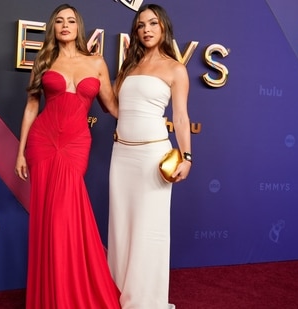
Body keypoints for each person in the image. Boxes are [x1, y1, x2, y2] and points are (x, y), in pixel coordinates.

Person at [14, 3, 120, 308]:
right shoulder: (44, 60)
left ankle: (72, 291)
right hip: (43, 142)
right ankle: (52, 296)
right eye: (59, 21)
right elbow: (32, 107)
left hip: (75, 144)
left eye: (70, 21)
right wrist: (20, 152)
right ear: (53, 27)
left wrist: (145, 121)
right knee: (49, 218)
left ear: (78, 27)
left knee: (65, 215)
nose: (64, 25)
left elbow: (111, 106)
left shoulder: (96, 62)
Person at [108, 4, 192, 309]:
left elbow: (180, 117)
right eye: (141, 24)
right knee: (121, 226)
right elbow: (116, 108)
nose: (146, 29)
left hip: (152, 157)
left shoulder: (175, 68)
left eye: (153, 23)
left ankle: (145, 301)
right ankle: (116, 292)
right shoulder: (128, 66)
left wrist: (187, 157)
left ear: (163, 27)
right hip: (121, 155)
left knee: (149, 229)